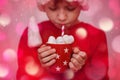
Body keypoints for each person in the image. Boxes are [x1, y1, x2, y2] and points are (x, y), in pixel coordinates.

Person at [16, 0, 109, 80]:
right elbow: (23, 76)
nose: (62, 17)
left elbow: (101, 77)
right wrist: (41, 67)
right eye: (52, 8)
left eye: (70, 8)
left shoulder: (96, 35)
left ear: (81, 6)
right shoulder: (33, 32)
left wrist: (83, 68)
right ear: (43, 6)